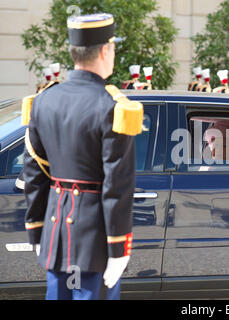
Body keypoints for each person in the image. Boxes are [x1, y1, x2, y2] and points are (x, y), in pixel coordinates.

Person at [21, 13, 143, 300]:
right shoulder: (114, 107)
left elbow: (34, 174)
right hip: (94, 241)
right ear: (104, 50)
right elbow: (117, 187)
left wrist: (36, 231)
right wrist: (118, 250)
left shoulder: (43, 101)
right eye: (113, 47)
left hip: (56, 236)